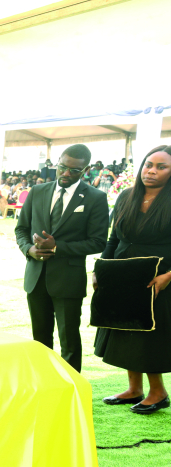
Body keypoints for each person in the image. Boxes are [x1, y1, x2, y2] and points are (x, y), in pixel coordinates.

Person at [15, 144, 108, 373]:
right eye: (62, 167)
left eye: (74, 171)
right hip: (36, 277)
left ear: (85, 170)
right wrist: (29, 250)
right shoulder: (37, 191)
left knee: (69, 341)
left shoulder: (95, 197)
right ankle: (44, 383)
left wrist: (57, 247)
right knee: (40, 339)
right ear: (57, 162)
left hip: (68, 280)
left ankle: (71, 389)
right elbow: (21, 229)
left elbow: (98, 242)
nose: (66, 174)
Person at [94, 145, 171, 413]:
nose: (151, 171)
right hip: (123, 273)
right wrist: (101, 269)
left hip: (159, 278)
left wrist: (168, 276)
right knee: (127, 329)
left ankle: (158, 392)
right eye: (149, 164)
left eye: (161, 167)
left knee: (149, 335)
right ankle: (134, 388)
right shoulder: (126, 195)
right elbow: (114, 238)